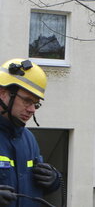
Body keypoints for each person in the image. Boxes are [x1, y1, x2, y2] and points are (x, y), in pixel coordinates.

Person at [0, 59, 61, 207]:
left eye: (36, 103)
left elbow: (35, 187)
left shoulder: (28, 139)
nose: (32, 109)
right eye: (27, 101)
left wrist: (54, 180)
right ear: (3, 94)